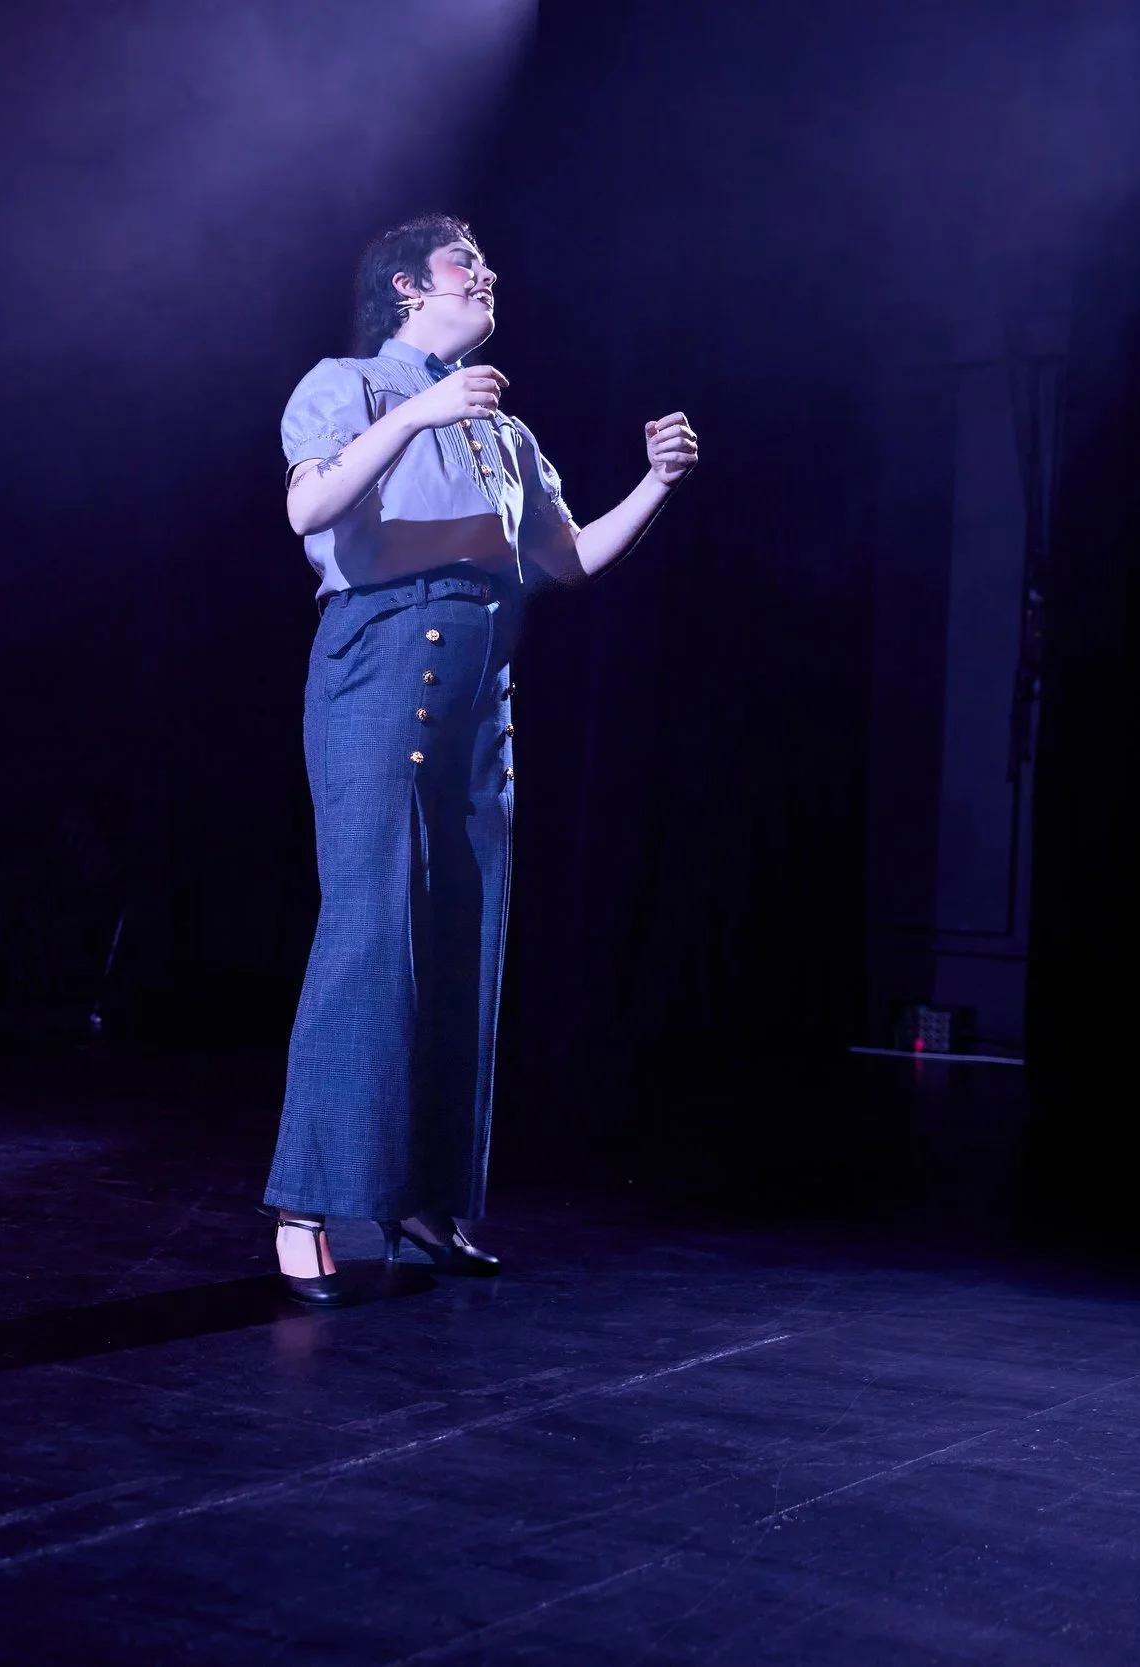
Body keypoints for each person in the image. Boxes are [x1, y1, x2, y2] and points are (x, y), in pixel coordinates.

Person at [266, 215, 699, 1304]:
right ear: (409, 287)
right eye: (468, 260)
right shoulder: (352, 383)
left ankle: (421, 1202)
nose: (488, 272)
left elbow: (568, 558)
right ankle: (305, 1201)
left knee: (468, 934)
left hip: (480, 685)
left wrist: (653, 482)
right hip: (378, 661)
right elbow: (309, 507)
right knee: (369, 926)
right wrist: (415, 408)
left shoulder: (504, 432)